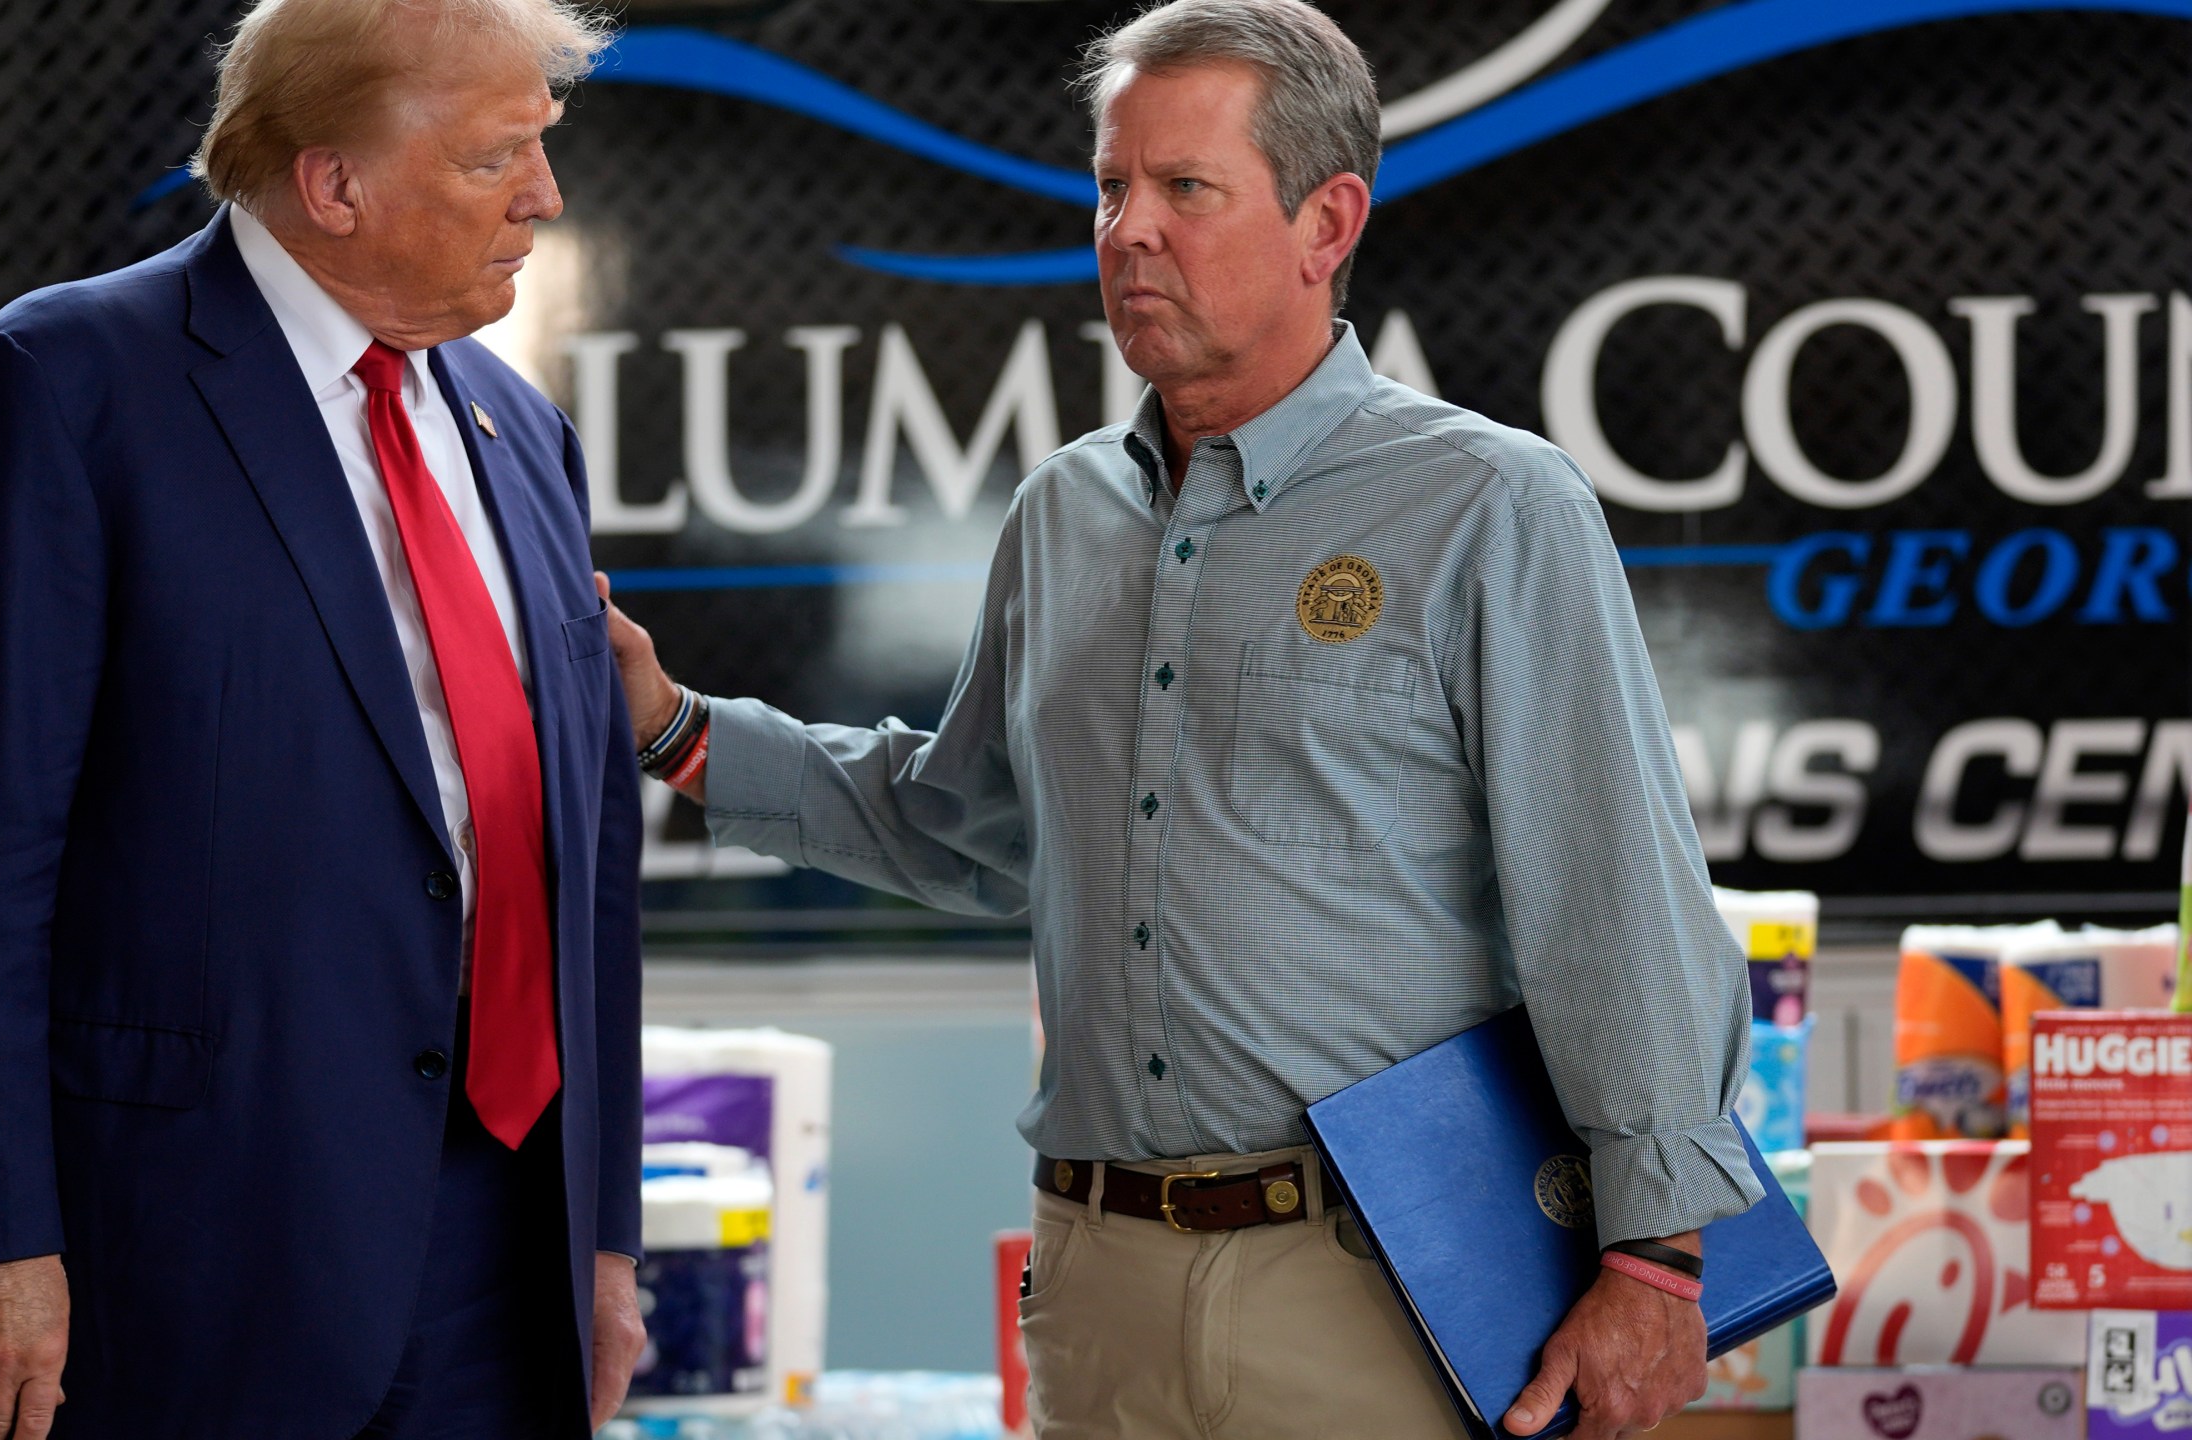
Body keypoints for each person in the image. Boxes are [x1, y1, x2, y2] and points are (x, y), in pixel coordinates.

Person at [602, 2, 1758, 1437]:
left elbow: (1614, 903)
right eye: (1110, 186)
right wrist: (672, 728)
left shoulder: (1491, 507)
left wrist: (1657, 1259)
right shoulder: (1061, 514)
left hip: (1380, 1294)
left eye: (1185, 189)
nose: (1128, 230)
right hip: (1099, 1295)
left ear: (1327, 221)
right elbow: (969, 831)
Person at [0, 1, 644, 1436]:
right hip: (174, 1263)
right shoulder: (59, 388)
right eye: (495, 158)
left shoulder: (524, 435)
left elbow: (579, 862)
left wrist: (603, 1233)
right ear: (333, 183)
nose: (546, 197)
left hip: (505, 1258)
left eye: (543, 146)